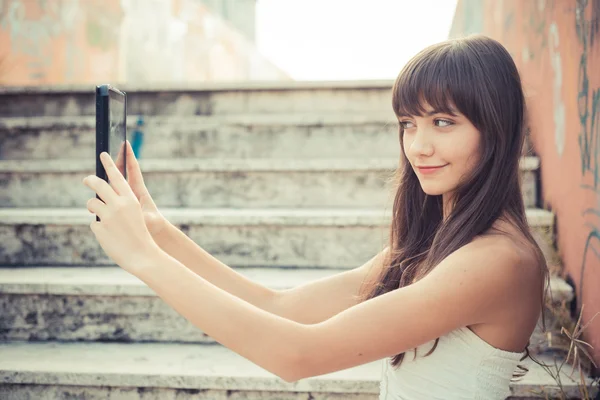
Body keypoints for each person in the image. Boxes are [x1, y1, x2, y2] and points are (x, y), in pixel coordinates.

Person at [114, 34, 549, 400]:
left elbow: (297, 354)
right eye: (408, 123)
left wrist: (144, 260)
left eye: (442, 122)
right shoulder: (437, 244)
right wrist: (156, 230)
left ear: (496, 129)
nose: (417, 146)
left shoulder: (499, 260)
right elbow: (282, 308)